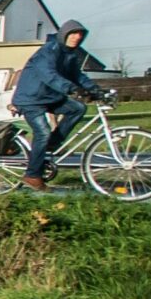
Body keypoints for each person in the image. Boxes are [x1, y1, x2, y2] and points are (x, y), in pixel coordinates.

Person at [10, 19, 108, 188]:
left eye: (80, 35)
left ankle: (52, 142)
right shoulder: (48, 50)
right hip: (31, 99)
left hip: (50, 97)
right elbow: (49, 75)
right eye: (73, 34)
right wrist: (72, 89)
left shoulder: (70, 54)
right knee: (43, 132)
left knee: (78, 108)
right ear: (64, 34)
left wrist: (96, 90)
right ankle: (32, 175)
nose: (77, 37)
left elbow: (78, 76)